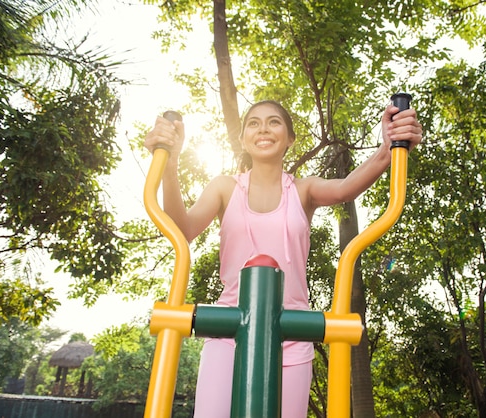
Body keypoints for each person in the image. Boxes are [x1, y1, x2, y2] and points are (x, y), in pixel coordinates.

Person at [144, 99, 423, 417]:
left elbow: (346, 188)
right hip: (228, 331)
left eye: (274, 122)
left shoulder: (303, 191)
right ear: (242, 139)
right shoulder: (224, 187)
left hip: (290, 333)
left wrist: (388, 147)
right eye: (253, 123)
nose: (263, 128)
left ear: (290, 138)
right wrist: (170, 166)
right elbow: (182, 229)